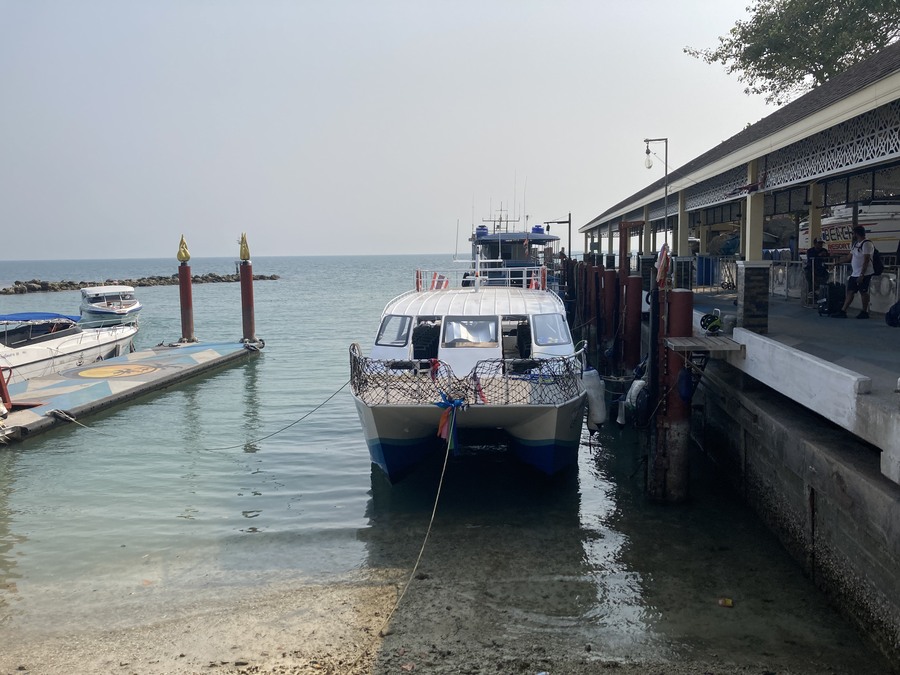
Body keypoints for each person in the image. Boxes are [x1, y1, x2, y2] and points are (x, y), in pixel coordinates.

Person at [831, 225, 874, 319]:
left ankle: (864, 311)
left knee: (863, 291)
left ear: (856, 233)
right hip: (855, 273)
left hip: (864, 273)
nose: (852, 235)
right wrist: (837, 262)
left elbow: (866, 260)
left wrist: (862, 274)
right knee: (850, 291)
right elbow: (849, 257)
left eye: (853, 233)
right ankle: (843, 310)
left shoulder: (867, 244)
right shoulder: (856, 244)